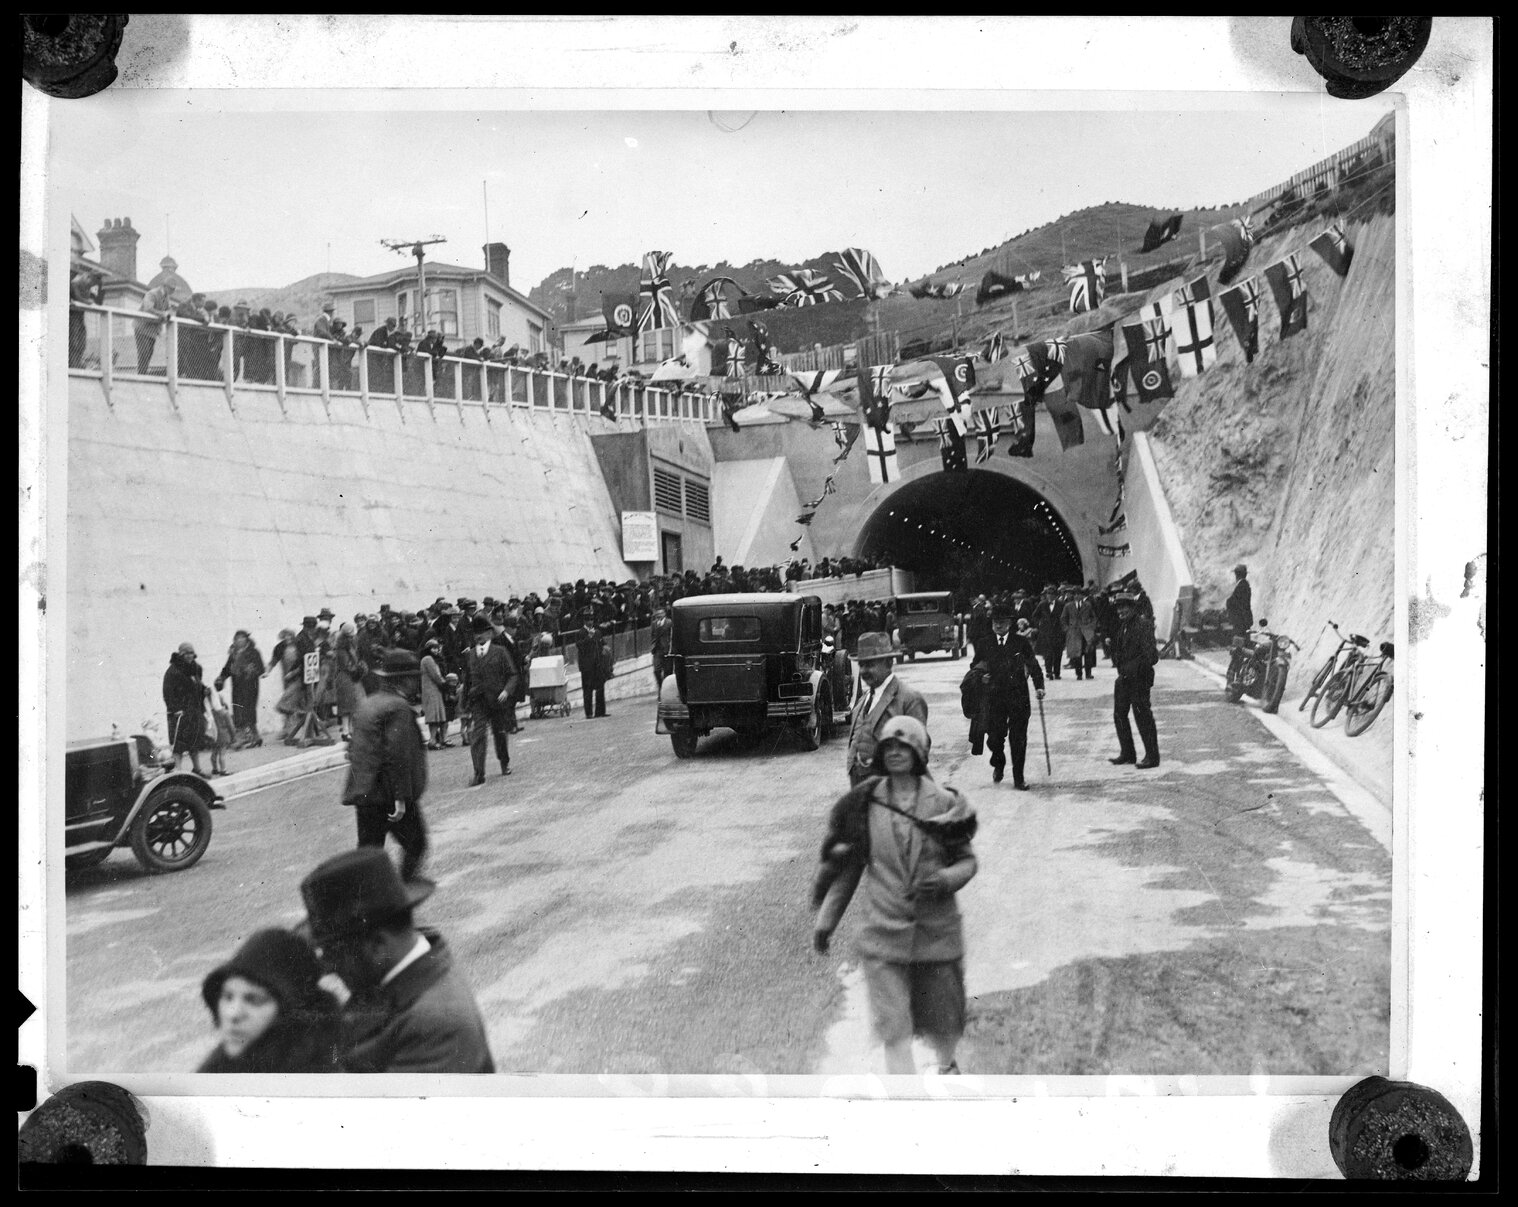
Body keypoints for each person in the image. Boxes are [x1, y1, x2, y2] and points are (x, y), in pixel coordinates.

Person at [812, 715, 978, 1074]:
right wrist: (825, 923)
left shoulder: (943, 803)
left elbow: (967, 862)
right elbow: (849, 870)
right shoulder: (866, 803)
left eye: (904, 747)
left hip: (935, 934)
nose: (896, 754)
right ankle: (906, 1099)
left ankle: (947, 1068)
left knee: (943, 1025)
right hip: (883, 934)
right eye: (889, 747)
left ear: (918, 752)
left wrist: (945, 879)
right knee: (894, 1028)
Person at [299, 848, 495, 1073]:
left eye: (332, 952)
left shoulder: (436, 1027)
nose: (328, 968)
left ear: (377, 946)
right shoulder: (402, 972)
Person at [196, 928, 342, 1073]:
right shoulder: (222, 1067)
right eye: (227, 997)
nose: (233, 1014)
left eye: (255, 1000)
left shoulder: (332, 1069)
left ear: (290, 1011)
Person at [342, 649, 430, 881]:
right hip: (389, 795)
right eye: (414, 678)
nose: (416, 683)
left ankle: (366, 906)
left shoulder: (368, 704)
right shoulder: (398, 707)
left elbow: (353, 749)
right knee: (416, 844)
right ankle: (402, 896)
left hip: (364, 795)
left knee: (369, 855)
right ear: (405, 680)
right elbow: (397, 755)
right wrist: (401, 798)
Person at [971, 603, 1045, 788]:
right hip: (994, 697)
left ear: (1010, 623)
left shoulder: (1020, 642)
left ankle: (1019, 778)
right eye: (995, 622)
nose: (998, 625)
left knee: (1018, 738)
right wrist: (982, 677)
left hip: (1018, 696)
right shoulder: (984, 643)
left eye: (1002, 622)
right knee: (994, 738)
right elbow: (974, 667)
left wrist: (1039, 686)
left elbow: (1033, 664)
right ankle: (998, 762)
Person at [845, 631, 929, 786]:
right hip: (860, 788)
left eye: (870, 665)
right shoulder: (862, 702)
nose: (863, 671)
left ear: (889, 663)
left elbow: (920, 753)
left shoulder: (909, 699)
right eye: (861, 665)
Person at [461, 612, 519, 786]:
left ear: (490, 633)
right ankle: (479, 773)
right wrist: (464, 702)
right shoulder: (470, 655)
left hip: (497, 700)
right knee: (478, 736)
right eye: (475, 632)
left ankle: (504, 762)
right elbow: (467, 679)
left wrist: (506, 691)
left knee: (499, 734)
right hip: (478, 701)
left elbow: (513, 674)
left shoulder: (500, 652)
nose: (479, 636)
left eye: (483, 631)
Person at [1108, 592, 1161, 769]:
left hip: (1139, 679)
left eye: (1124, 607)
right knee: (1119, 715)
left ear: (1132, 607)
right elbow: (1119, 650)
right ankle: (1128, 753)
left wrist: (1131, 668)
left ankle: (1152, 757)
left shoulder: (1143, 625)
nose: (1121, 610)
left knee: (1142, 716)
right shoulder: (1123, 626)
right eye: (1118, 607)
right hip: (1124, 678)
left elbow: (1151, 656)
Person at [163, 642, 209, 775]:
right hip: (180, 713)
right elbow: (167, 693)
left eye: (191, 653)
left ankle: (197, 769)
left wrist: (204, 690)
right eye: (187, 653)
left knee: (194, 742)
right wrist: (174, 709)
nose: (190, 656)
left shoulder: (196, 668)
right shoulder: (173, 671)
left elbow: (198, 685)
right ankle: (178, 773)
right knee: (179, 744)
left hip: (194, 711)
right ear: (181, 654)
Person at [215, 630, 266, 749]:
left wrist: (251, 670)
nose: (238, 641)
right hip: (237, 687)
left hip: (250, 686)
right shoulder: (233, 654)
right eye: (236, 639)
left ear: (246, 639)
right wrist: (221, 678)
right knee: (238, 710)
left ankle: (248, 737)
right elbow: (227, 669)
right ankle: (254, 737)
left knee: (249, 710)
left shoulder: (254, 652)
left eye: (241, 638)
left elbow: (261, 669)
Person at [332, 621, 368, 742]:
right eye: (350, 635)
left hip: (351, 677)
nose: (352, 637)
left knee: (353, 705)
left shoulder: (350, 645)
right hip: (345, 677)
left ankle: (351, 730)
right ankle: (346, 731)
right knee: (346, 706)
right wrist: (357, 670)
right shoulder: (341, 649)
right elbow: (346, 665)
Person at [575, 610, 613, 719]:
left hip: (598, 664)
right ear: (584, 621)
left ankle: (600, 711)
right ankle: (589, 713)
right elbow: (579, 646)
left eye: (591, 620)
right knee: (588, 689)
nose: (590, 622)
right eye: (588, 620)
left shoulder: (597, 631)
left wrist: (605, 647)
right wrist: (589, 638)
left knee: (600, 687)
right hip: (587, 666)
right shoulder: (581, 633)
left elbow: (602, 643)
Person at [136, 280, 178, 374]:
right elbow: (148, 309)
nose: (172, 291)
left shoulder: (166, 297)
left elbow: (167, 309)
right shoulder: (152, 294)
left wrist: (170, 312)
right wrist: (163, 314)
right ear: (164, 286)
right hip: (142, 327)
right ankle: (141, 375)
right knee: (144, 352)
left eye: (174, 289)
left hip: (153, 330)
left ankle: (143, 374)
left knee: (149, 353)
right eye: (171, 288)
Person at [419, 639, 452, 749]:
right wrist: (445, 684)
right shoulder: (428, 659)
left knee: (438, 716)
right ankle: (432, 741)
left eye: (437, 648)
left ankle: (438, 740)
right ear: (428, 649)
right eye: (433, 648)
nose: (436, 650)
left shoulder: (434, 659)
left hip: (435, 690)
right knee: (434, 717)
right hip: (431, 690)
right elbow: (435, 675)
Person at [1061, 585, 1099, 681]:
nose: (1078, 596)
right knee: (1077, 654)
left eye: (1080, 594)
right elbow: (1063, 618)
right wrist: (1067, 629)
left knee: (1088, 653)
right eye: (1076, 594)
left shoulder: (1088, 605)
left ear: (1082, 595)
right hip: (1074, 633)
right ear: (1073, 596)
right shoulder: (1068, 606)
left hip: (1086, 633)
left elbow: (1094, 617)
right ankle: (1079, 674)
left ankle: (1088, 673)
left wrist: (1092, 627)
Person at [1032, 585, 1065, 681]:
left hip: (1058, 633)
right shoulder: (1042, 604)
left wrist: (1063, 628)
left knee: (1058, 653)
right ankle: (1049, 671)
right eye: (1048, 594)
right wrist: (1039, 625)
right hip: (1045, 633)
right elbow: (1034, 616)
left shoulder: (1061, 604)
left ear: (1056, 595)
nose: (1050, 596)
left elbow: (1065, 617)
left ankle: (1057, 672)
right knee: (1048, 653)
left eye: (1052, 594)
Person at [1225, 564, 1254, 638]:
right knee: (1243, 639)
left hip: (1241, 619)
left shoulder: (1242, 585)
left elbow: (1234, 601)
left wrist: (1228, 602)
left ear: (1237, 574)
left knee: (1240, 640)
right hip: (1243, 618)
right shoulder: (1244, 584)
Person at [650, 606, 673, 690]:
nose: (658, 615)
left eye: (660, 613)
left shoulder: (669, 622)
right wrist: (653, 646)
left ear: (664, 614)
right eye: (657, 614)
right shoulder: (654, 624)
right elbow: (652, 635)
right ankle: (661, 686)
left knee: (667, 671)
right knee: (656, 670)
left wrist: (670, 648)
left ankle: (666, 690)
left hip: (667, 650)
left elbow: (671, 636)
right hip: (657, 650)